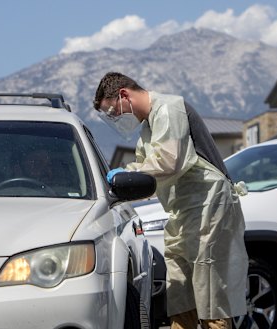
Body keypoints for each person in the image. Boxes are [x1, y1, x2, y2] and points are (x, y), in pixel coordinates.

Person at [93, 72, 248, 329]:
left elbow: (169, 161)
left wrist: (129, 174)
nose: (115, 120)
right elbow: (148, 172)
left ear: (124, 95)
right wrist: (121, 181)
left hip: (208, 204)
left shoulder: (169, 108)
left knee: (210, 296)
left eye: (113, 112)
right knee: (180, 295)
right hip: (183, 211)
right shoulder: (148, 127)